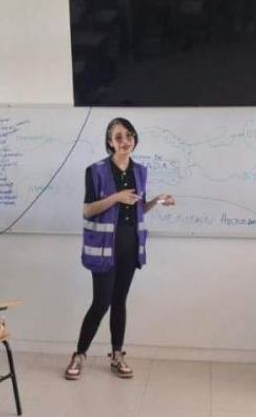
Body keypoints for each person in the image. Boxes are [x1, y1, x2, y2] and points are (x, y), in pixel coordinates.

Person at [64, 117, 174, 381]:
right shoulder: (96, 171)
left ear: (134, 139)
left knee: (119, 301)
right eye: (118, 137)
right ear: (110, 143)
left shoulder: (140, 171)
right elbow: (88, 210)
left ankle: (117, 354)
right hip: (104, 246)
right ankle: (79, 354)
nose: (125, 141)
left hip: (130, 244)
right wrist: (115, 197)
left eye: (129, 136)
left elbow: (138, 207)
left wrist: (157, 201)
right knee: (101, 302)